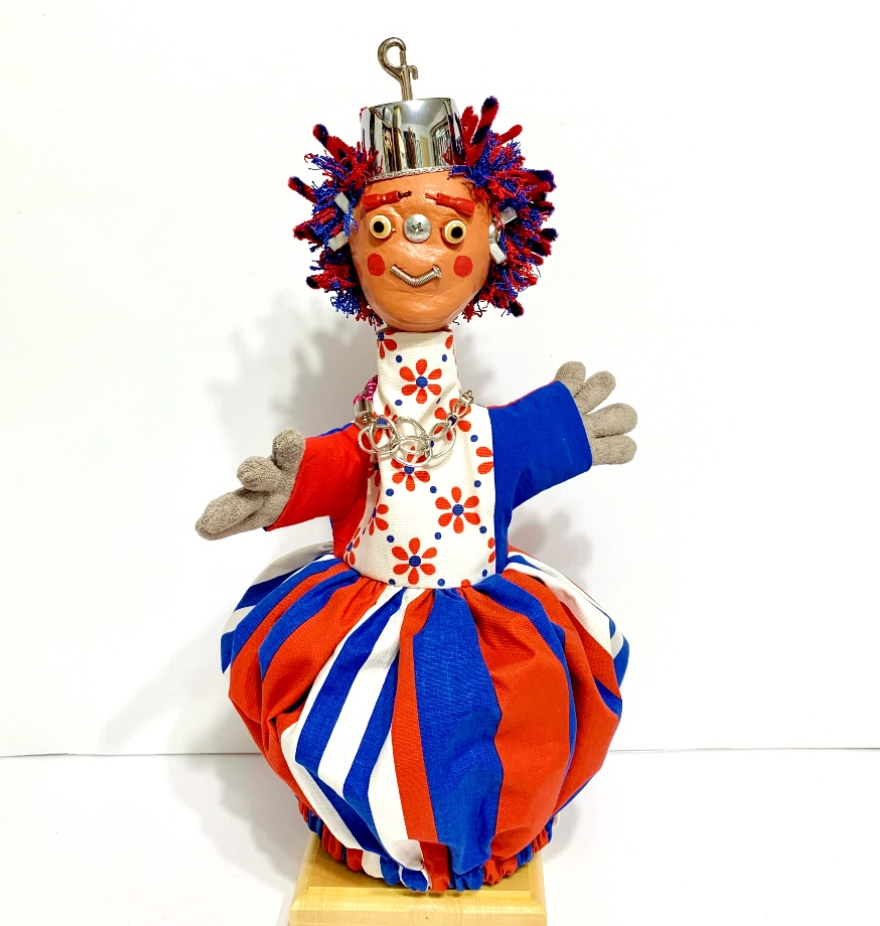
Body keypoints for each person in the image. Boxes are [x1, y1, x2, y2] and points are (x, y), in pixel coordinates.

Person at [196, 73, 637, 892]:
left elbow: (506, 441)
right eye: (385, 228)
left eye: (448, 229)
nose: (414, 252)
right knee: (350, 716)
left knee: (508, 713)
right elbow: (345, 464)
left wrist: (563, 430)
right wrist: (290, 490)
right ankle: (368, 835)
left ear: (496, 246)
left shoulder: (484, 433)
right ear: (347, 249)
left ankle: (484, 839)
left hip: (479, 603)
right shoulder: (373, 431)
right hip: (368, 606)